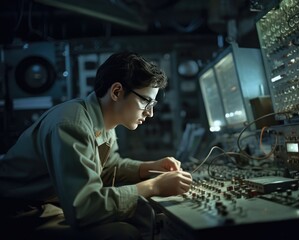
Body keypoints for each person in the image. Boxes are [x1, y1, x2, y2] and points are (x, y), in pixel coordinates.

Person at [0, 51, 193, 239]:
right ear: (117, 91)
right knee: (123, 234)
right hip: (20, 215)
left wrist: (147, 168)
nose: (150, 113)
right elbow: (84, 208)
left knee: (148, 218)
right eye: (146, 102)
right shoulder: (72, 124)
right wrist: (154, 186)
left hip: (49, 205)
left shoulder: (103, 120)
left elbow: (107, 167)